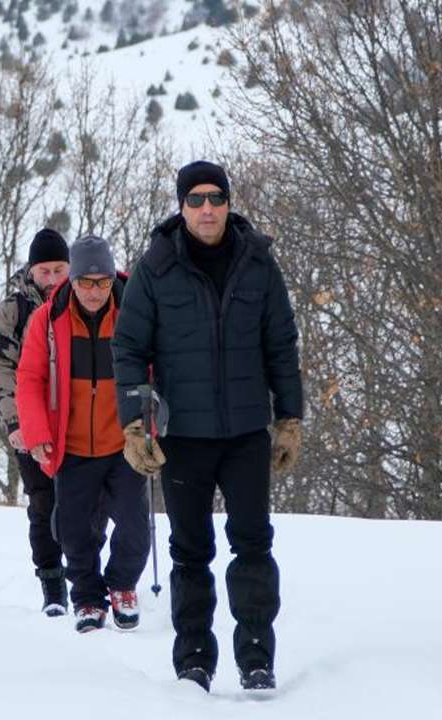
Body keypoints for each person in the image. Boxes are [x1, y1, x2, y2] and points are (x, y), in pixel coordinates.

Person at [112, 160, 303, 692]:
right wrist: (134, 424)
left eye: (215, 198)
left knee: (253, 544)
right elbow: (128, 349)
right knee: (189, 551)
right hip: (183, 438)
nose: (206, 209)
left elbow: (281, 346)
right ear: (181, 206)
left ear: (227, 202)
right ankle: (193, 659)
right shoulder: (155, 267)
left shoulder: (258, 263)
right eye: (195, 200)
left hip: (244, 431)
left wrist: (289, 417)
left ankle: (257, 657)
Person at [15, 236, 151, 634]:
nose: (94, 291)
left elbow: (156, 372)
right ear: (72, 280)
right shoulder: (48, 318)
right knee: (72, 530)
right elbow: (29, 378)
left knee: (135, 526)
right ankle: (88, 599)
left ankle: (122, 585)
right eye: (86, 282)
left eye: (102, 282)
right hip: (71, 444)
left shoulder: (134, 311)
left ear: (112, 279)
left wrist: (154, 421)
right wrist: (37, 432)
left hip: (123, 442)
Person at [0, 228, 79, 616]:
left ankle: (86, 576)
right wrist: (15, 424)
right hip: (32, 419)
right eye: (45, 271)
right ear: (32, 270)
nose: (53, 279)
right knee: (43, 502)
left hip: (79, 419)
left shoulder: (85, 298)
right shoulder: (14, 309)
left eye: (60, 269)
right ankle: (52, 582)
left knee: (86, 501)